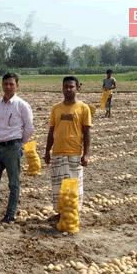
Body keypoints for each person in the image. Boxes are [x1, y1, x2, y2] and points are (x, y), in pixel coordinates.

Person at [0, 73, 34, 224]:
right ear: (2, 85)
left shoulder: (22, 105)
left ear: (17, 85)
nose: (8, 87)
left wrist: (20, 144)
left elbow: (29, 128)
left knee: (13, 183)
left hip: (13, 147)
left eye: (11, 84)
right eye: (6, 84)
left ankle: (10, 214)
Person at [44, 76, 91, 218]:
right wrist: (47, 151)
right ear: (62, 88)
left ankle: (73, 213)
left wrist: (86, 154)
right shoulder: (56, 108)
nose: (68, 89)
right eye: (66, 87)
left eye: (71, 87)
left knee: (74, 187)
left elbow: (87, 131)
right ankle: (60, 213)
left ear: (78, 88)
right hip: (58, 152)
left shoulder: (83, 108)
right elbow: (51, 131)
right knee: (59, 187)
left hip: (75, 153)